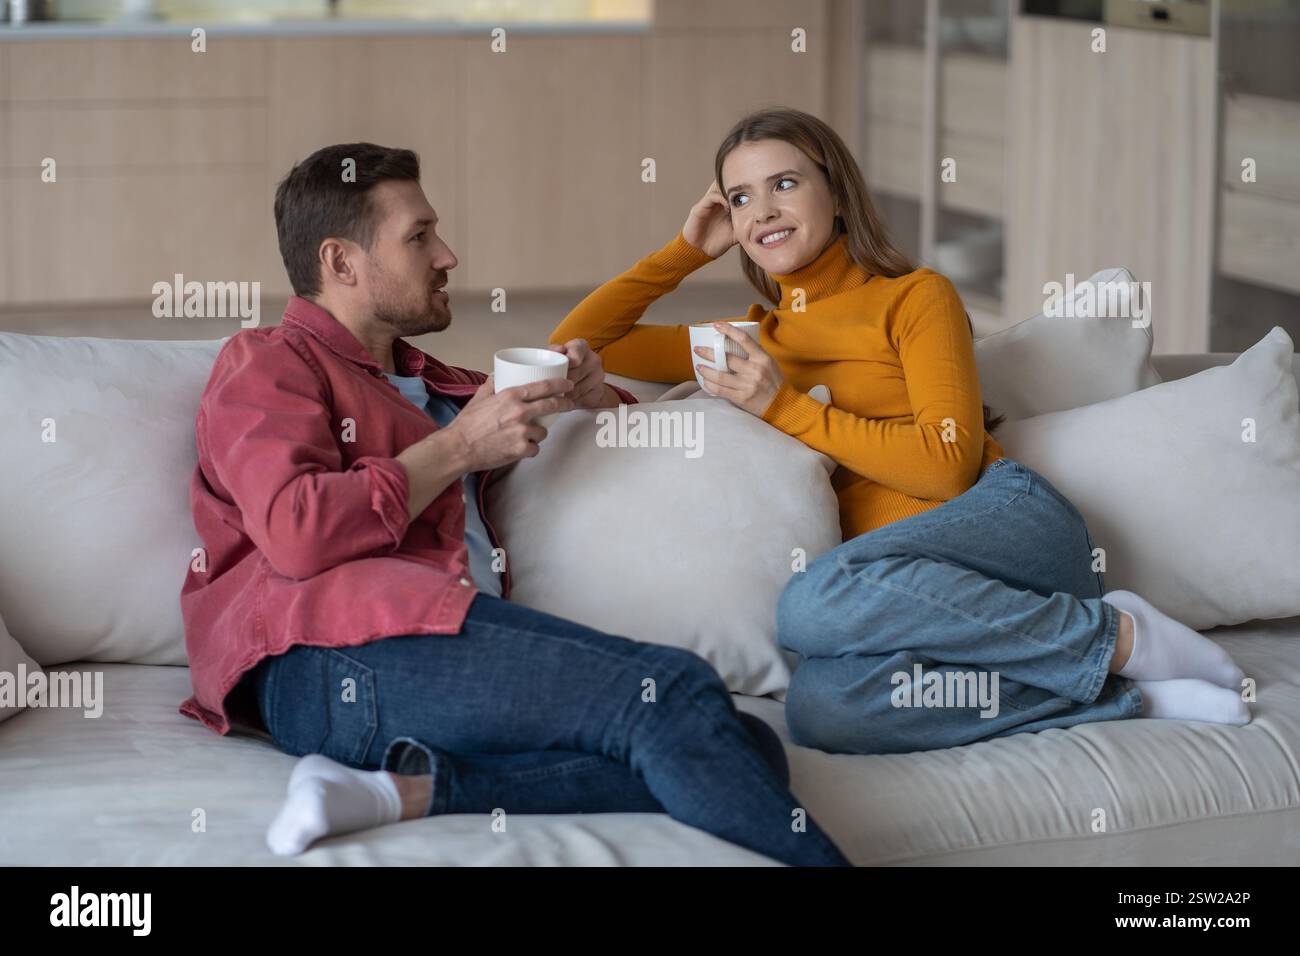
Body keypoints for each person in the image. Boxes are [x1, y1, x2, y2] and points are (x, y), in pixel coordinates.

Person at [179, 142, 850, 867]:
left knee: (740, 744)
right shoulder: (267, 361)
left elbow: (575, 418)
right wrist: (460, 448)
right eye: (419, 236)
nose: (448, 255)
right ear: (341, 263)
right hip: (328, 657)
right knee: (676, 693)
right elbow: (294, 532)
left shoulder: (438, 384)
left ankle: (395, 794)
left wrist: (597, 400)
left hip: (429, 647)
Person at [550, 108, 1249, 758]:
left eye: (784, 184)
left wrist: (782, 407)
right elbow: (574, 340)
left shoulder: (915, 297)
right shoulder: (749, 340)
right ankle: (1116, 684)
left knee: (810, 604)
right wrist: (681, 251)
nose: (761, 210)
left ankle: (1117, 634)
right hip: (904, 597)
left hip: (1004, 526)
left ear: (839, 193)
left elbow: (948, 467)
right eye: (739, 198)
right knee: (825, 708)